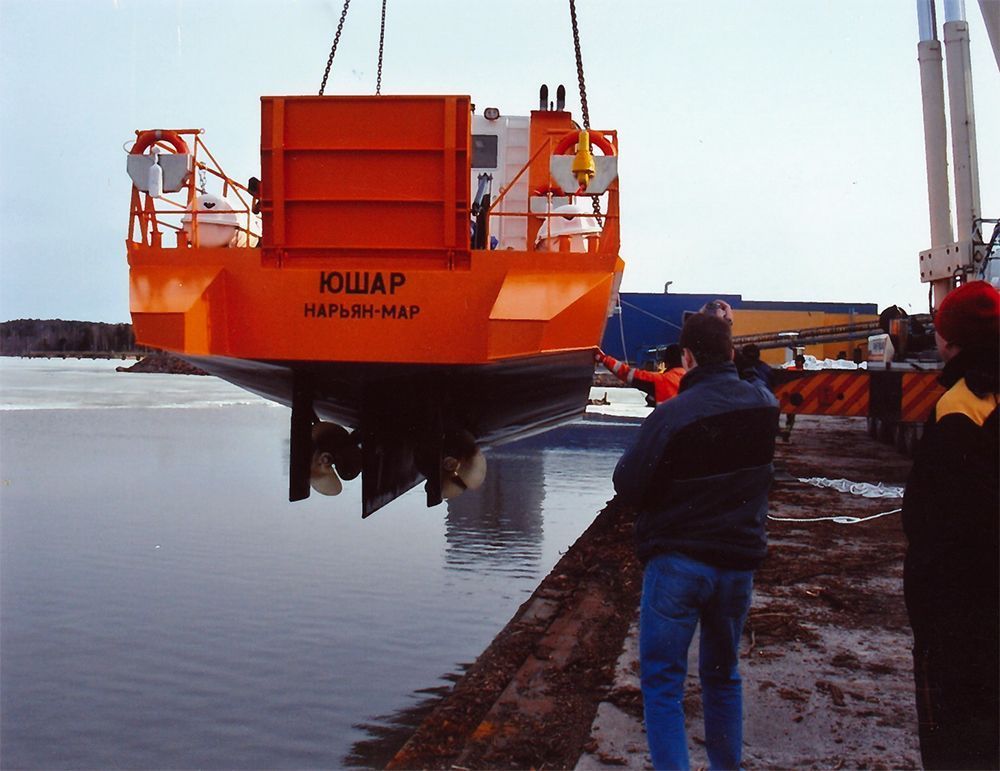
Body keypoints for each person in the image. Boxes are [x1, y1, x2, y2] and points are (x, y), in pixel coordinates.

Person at [613, 313, 779, 770]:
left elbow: (627, 485)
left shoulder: (671, 416)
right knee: (724, 677)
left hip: (678, 566)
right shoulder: (764, 406)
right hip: (737, 566)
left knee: (663, 685)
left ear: (686, 358)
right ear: (730, 353)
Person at [902, 280, 999, 770]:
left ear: (948, 340)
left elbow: (932, 520)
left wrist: (924, 610)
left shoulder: (960, 406)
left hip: (963, 613)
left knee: (958, 737)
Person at [596, 301, 735, 406]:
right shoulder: (713, 388)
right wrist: (726, 323)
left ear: (686, 357)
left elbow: (627, 373)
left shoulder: (662, 381)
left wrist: (602, 358)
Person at [595, 343, 685, 406]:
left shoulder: (661, 380)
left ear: (666, 362)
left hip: (669, 429)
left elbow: (628, 374)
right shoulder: (694, 379)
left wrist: (604, 359)